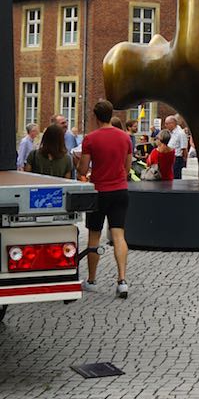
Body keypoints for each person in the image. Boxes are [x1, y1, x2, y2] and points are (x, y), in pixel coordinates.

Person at [77, 100, 134, 298]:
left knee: (94, 235)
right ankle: (122, 280)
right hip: (120, 191)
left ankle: (92, 280)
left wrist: (86, 171)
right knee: (119, 235)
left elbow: (83, 170)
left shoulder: (90, 139)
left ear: (95, 116)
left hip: (99, 192)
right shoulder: (125, 138)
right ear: (111, 114)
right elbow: (127, 168)